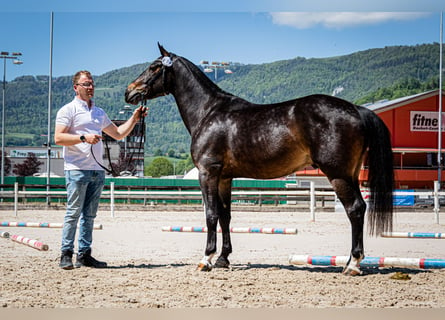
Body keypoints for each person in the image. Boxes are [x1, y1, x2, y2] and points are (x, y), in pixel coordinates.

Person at [55, 70, 147, 270]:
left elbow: (119, 134)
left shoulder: (99, 113)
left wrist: (134, 118)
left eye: (92, 83)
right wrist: (83, 138)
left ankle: (84, 254)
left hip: (97, 170)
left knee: (89, 216)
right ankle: (66, 253)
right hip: (76, 169)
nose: (90, 87)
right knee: (73, 213)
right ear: (76, 87)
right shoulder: (68, 110)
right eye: (86, 84)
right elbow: (58, 138)